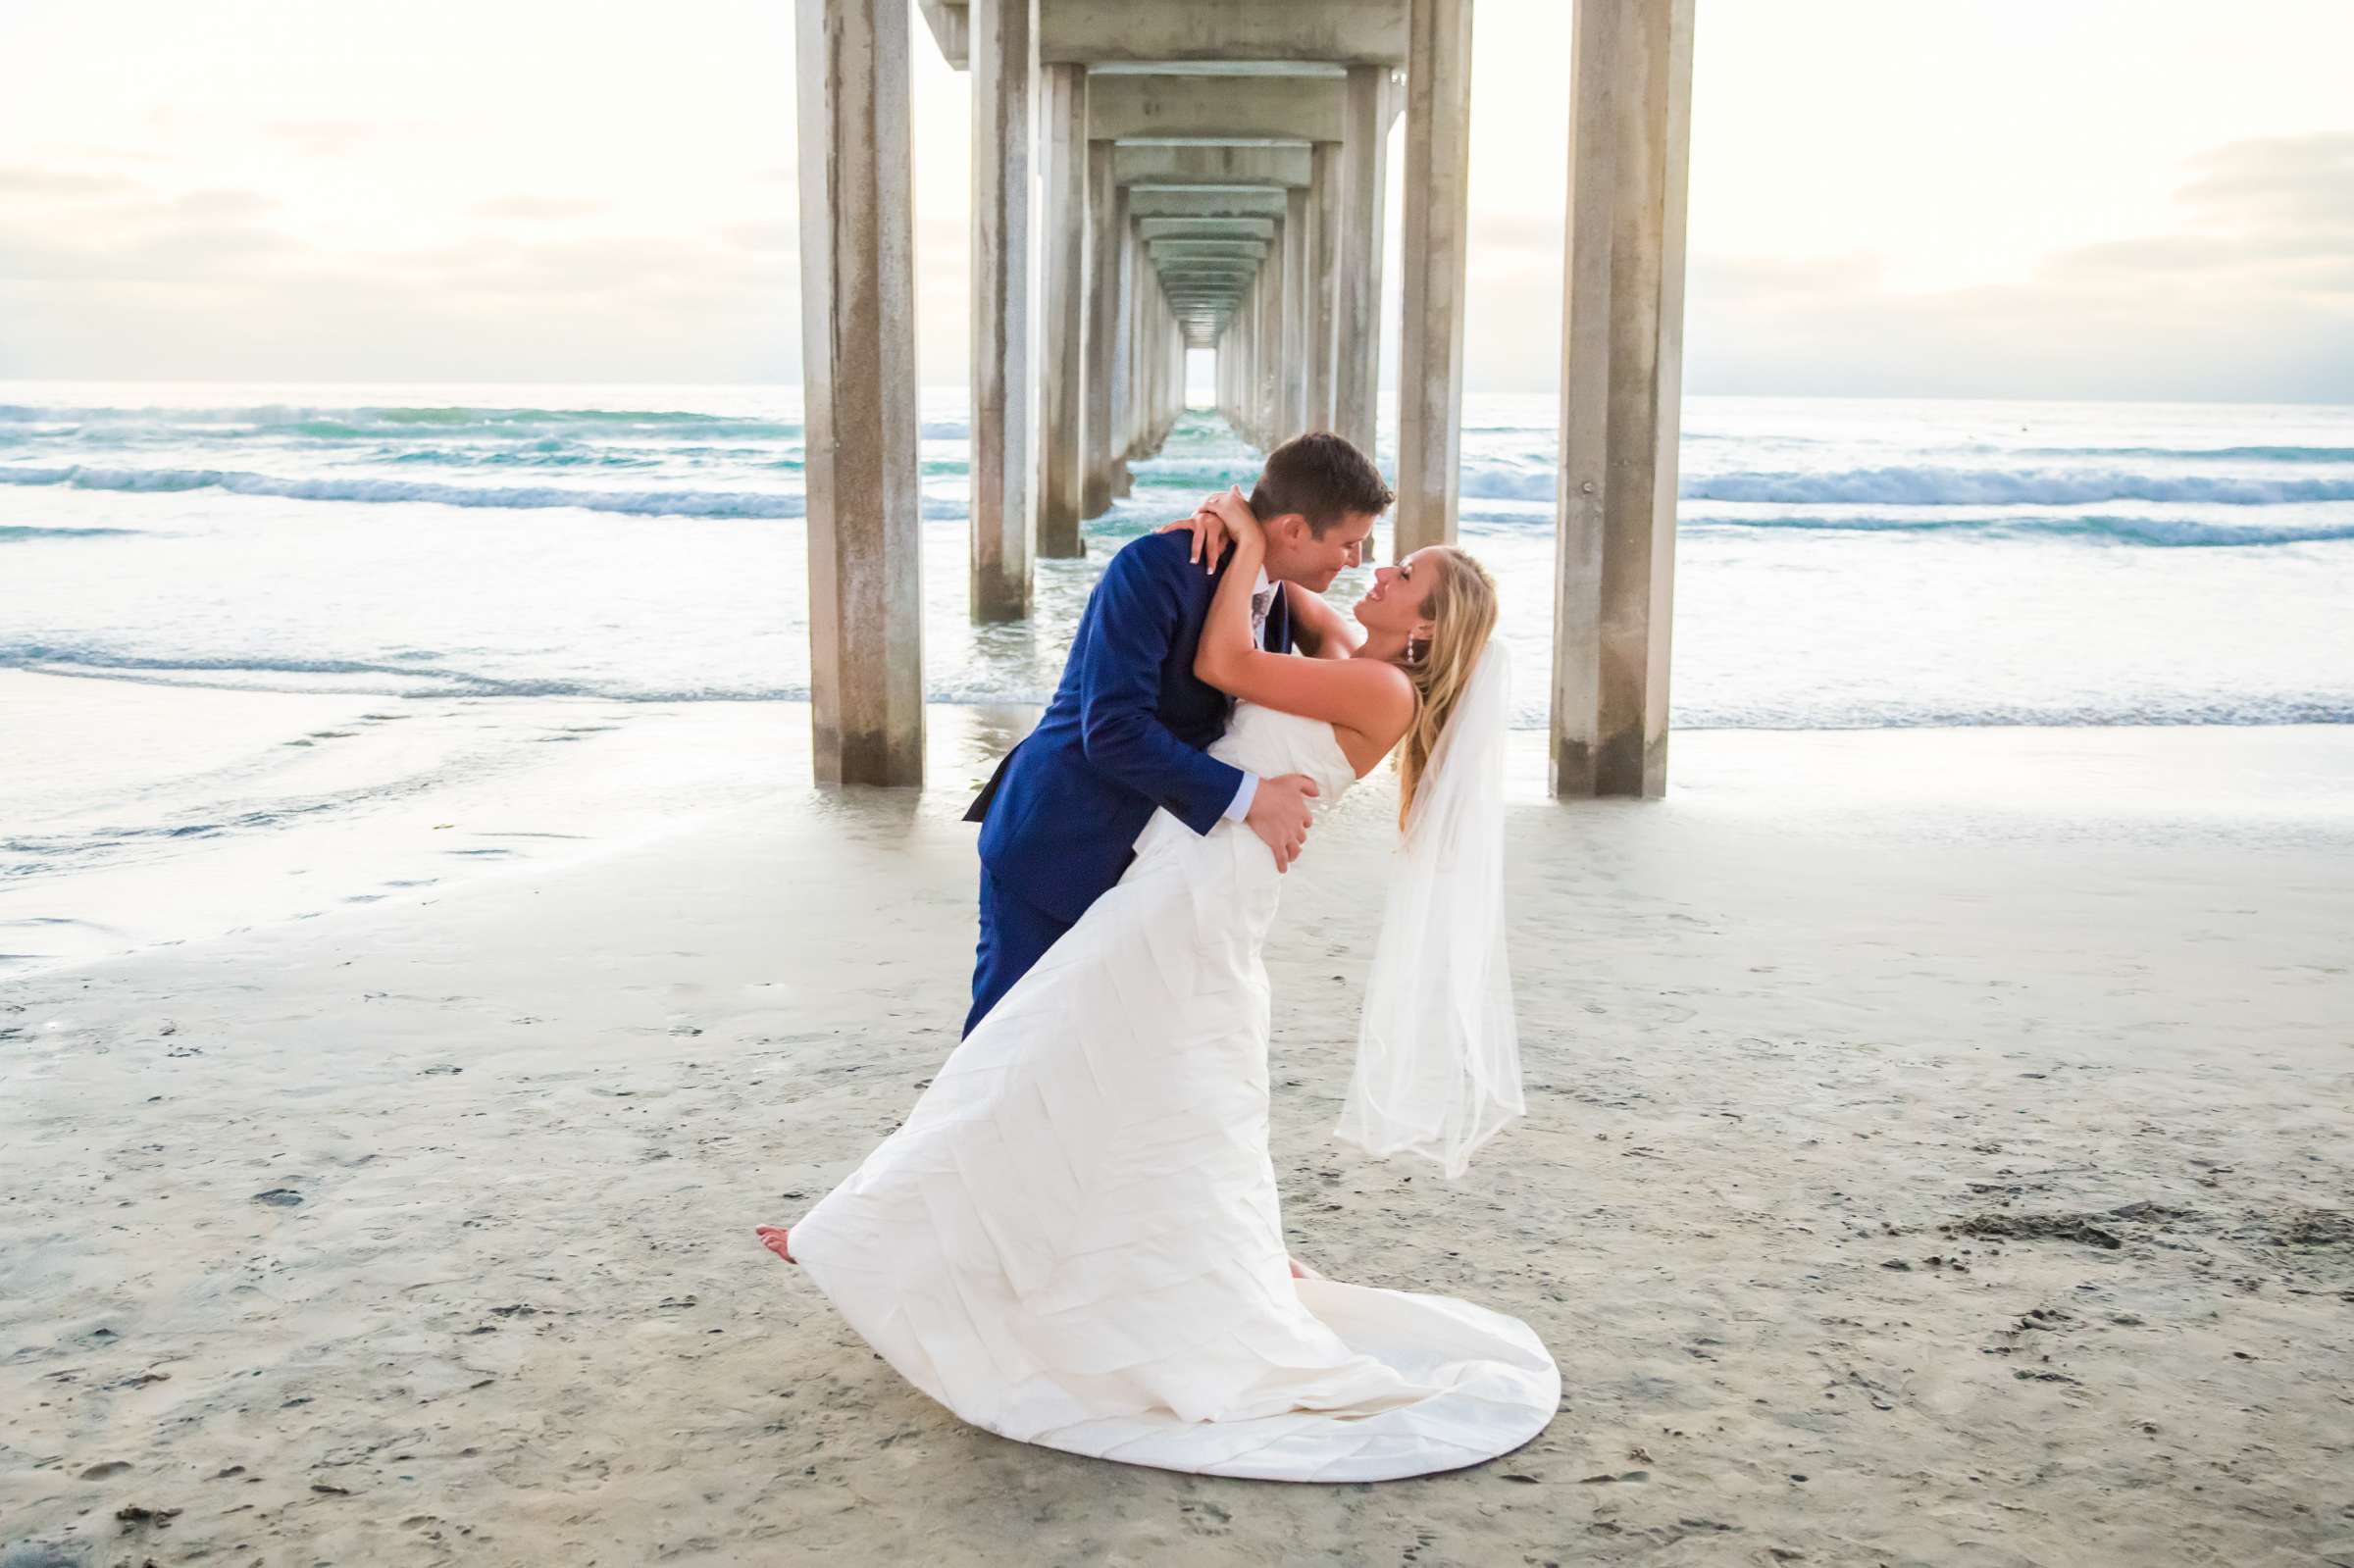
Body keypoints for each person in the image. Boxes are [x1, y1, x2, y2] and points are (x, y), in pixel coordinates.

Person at [754, 481, 1552, 1483]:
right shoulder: (1360, 662)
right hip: (1183, 870)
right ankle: (943, 1241)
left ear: (1428, 635)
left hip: (1196, 887)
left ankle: (870, 1238)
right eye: (1368, 550)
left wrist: (1259, 534)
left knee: (1044, 1049)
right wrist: (1239, 517)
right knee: (1122, 1070)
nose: (1376, 570)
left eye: (1402, 576)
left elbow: (1225, 661)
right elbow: (1296, 596)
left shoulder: (1379, 690)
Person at [955, 432, 1391, 1037]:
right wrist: (1253, 796)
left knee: (1094, 1052)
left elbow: (1342, 653)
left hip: (1155, 864)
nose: (1356, 560)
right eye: (1349, 542)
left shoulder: (1276, 594)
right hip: (1063, 839)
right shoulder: (1157, 567)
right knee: (1007, 1042)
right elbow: (1112, 729)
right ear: (1293, 530)